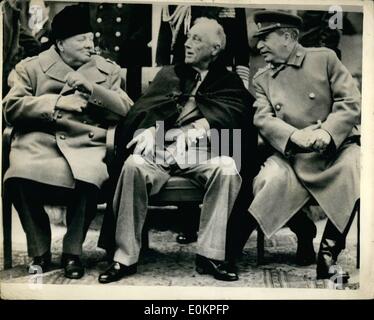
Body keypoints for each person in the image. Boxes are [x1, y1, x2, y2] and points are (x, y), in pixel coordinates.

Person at [98, 17, 256, 284]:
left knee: (228, 168)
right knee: (133, 165)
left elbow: (238, 114)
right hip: (160, 149)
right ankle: (124, 256)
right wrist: (150, 129)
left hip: (203, 153)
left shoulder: (227, 81)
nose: (188, 43)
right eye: (188, 37)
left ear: (215, 48)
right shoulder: (169, 74)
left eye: (197, 39)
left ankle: (211, 255)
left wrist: (205, 124)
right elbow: (145, 109)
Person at [2, 4, 133, 279]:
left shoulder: (106, 71)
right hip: (40, 142)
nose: (90, 45)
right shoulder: (32, 67)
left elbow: (125, 108)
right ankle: (39, 251)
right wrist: (59, 103)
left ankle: (73, 252)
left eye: (91, 38)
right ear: (61, 43)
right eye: (81, 39)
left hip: (85, 143)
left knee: (90, 175)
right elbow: (11, 107)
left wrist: (93, 90)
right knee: (17, 177)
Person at [237, 10, 360, 281]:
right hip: (292, 154)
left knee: (355, 167)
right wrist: (294, 136)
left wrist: (327, 133)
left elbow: (350, 102)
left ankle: (328, 254)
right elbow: (263, 119)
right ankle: (304, 231)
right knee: (267, 180)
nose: (259, 46)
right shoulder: (263, 79)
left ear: (288, 37)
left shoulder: (325, 58)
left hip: (334, 150)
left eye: (265, 38)